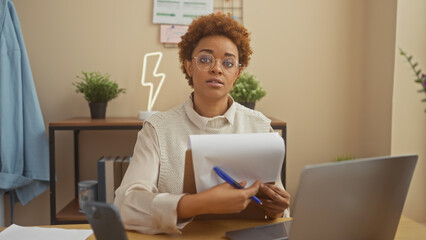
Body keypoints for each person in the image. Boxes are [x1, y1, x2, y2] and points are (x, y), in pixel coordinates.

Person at [114, 13, 290, 234]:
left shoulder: (260, 127)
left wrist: (277, 209)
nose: (217, 68)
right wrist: (196, 204)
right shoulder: (157, 129)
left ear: (237, 73)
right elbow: (125, 205)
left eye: (228, 63)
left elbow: (280, 211)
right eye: (205, 59)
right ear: (189, 66)